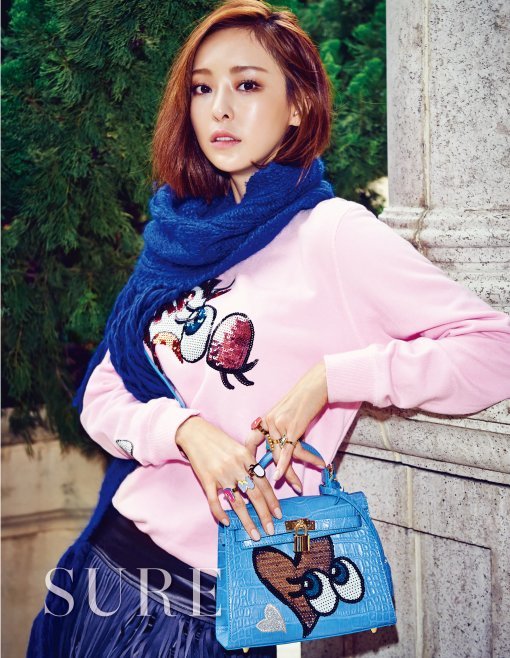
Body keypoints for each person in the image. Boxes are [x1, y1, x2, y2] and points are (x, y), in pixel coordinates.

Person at [27, 0, 510, 656]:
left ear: (299, 105)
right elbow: (104, 394)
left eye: (248, 85)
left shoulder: (334, 236)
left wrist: (332, 379)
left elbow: (493, 349)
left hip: (207, 613)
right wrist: (185, 431)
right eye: (203, 88)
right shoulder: (178, 234)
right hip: (103, 572)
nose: (219, 108)